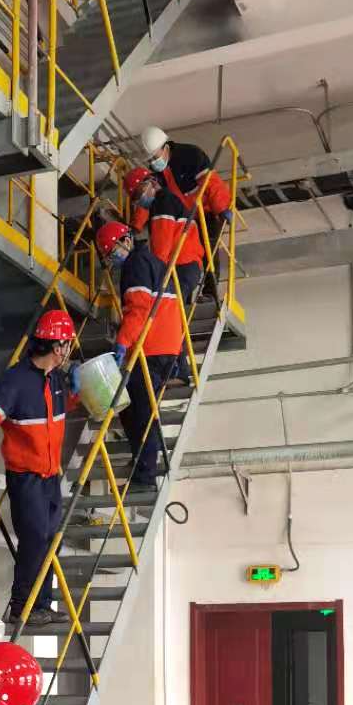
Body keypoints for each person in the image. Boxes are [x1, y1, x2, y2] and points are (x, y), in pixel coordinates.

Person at [0, 309, 81, 627]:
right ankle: (22, 606)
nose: (69, 351)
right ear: (57, 347)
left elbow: (57, 412)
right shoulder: (16, 381)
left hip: (50, 476)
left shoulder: (56, 380)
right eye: (68, 344)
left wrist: (79, 391)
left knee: (51, 539)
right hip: (26, 478)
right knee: (34, 538)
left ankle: (42, 603)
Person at [96, 220, 182, 489]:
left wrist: (122, 342)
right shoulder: (151, 262)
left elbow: (138, 309)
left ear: (127, 240)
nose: (113, 258)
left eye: (113, 251)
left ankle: (145, 476)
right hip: (166, 346)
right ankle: (141, 464)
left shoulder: (135, 265)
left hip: (152, 349)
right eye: (109, 256)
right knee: (130, 407)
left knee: (139, 412)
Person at [137, 128, 233, 301]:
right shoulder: (156, 173)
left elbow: (211, 182)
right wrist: (136, 225)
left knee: (209, 248)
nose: (152, 163)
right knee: (180, 256)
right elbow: (147, 200)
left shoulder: (191, 156)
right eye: (149, 160)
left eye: (154, 157)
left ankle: (210, 293)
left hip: (205, 212)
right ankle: (184, 300)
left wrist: (222, 208)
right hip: (184, 218)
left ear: (166, 147)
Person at [124, 164, 204, 309]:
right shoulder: (166, 200)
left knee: (169, 309)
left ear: (152, 182)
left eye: (140, 192)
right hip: (186, 266)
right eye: (136, 197)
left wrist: (154, 273)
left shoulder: (162, 203)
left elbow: (162, 244)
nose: (139, 198)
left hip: (180, 267)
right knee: (176, 311)